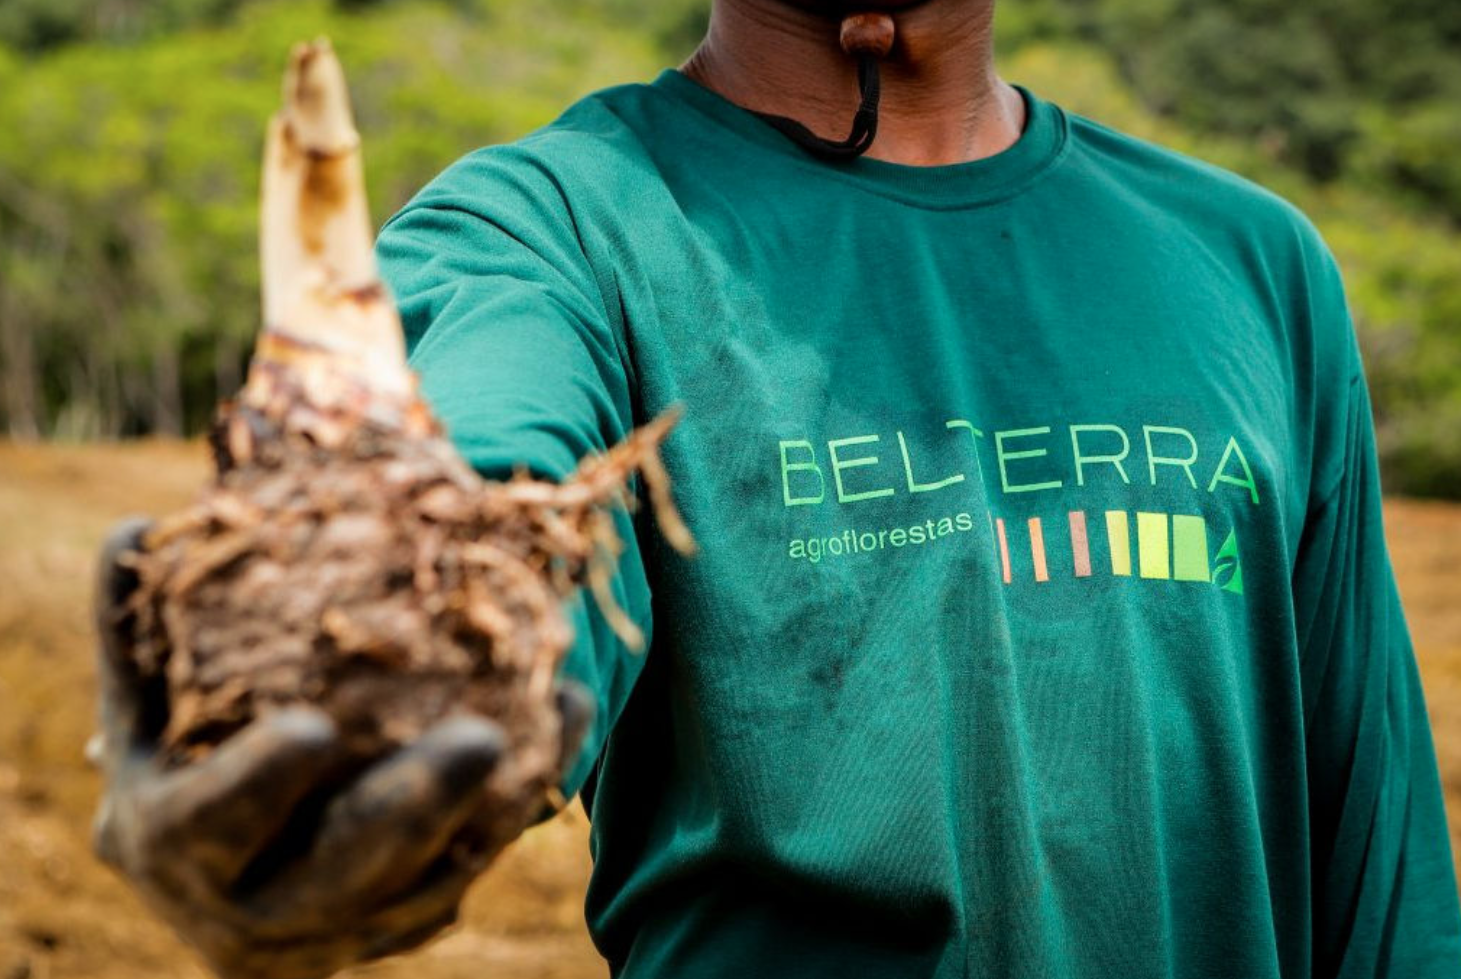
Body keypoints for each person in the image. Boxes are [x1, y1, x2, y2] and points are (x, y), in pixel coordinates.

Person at [92, 0, 1461, 976]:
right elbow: (487, 485)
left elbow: (1381, 867)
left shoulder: (1249, 265)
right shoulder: (555, 230)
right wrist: (334, 717)